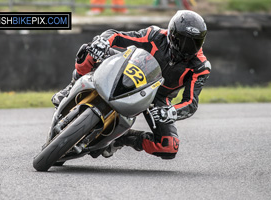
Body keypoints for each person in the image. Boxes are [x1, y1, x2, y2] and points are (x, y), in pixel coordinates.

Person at [52, 10, 211, 160]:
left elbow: (191, 102)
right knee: (89, 50)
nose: (188, 48)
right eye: (183, 41)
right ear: (172, 34)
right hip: (130, 68)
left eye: (195, 43)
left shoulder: (200, 66)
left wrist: (171, 112)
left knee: (169, 146)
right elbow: (116, 36)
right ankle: (71, 87)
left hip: (157, 96)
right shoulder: (155, 35)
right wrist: (103, 41)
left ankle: (121, 140)